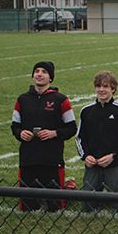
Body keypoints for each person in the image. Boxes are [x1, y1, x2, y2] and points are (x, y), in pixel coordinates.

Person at [11, 61, 76, 211]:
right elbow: (14, 126)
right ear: (33, 75)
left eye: (44, 72)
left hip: (51, 158)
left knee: (55, 206)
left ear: (50, 78)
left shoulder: (61, 100)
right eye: (37, 71)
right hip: (28, 158)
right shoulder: (22, 100)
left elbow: (71, 128)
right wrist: (20, 133)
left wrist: (55, 133)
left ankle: (68, 188)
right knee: (27, 207)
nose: (40, 74)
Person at [76, 71, 118, 212]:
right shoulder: (86, 111)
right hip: (93, 163)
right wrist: (86, 157)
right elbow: (79, 137)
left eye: (106, 86)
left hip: (113, 162)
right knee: (87, 207)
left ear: (113, 89)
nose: (101, 90)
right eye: (98, 86)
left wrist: (114, 156)